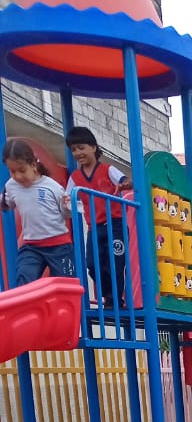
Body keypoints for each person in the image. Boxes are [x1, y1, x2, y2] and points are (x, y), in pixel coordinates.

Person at [64, 126, 130, 308]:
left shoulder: (108, 169)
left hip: (115, 224)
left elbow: (125, 181)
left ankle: (114, 300)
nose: (78, 153)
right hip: (94, 227)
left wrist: (125, 185)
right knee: (93, 264)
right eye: (73, 149)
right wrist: (66, 202)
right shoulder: (75, 177)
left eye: (81, 147)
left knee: (115, 263)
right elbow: (68, 197)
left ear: (93, 147)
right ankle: (109, 295)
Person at [0, 139, 74, 285]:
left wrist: (68, 206)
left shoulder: (52, 187)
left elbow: (67, 214)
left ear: (33, 165)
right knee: (24, 279)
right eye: (12, 171)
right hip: (32, 246)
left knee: (65, 283)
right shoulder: (11, 186)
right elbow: (6, 204)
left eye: (22, 170)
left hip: (59, 245)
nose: (18, 176)